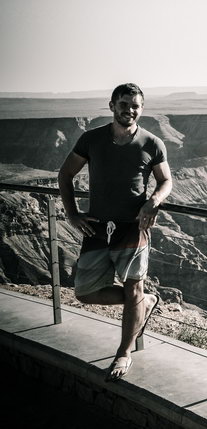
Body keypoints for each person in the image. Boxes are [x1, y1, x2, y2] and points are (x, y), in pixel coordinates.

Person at [58, 83, 172, 381]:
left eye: (135, 105)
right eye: (124, 104)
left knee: (133, 287)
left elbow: (165, 181)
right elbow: (65, 174)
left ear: (141, 108)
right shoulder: (91, 139)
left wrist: (153, 201)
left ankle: (124, 352)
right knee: (85, 292)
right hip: (96, 228)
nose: (129, 110)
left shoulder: (152, 143)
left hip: (133, 231)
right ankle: (143, 303)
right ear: (112, 106)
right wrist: (71, 214)